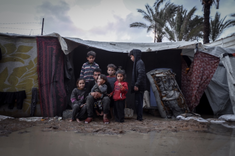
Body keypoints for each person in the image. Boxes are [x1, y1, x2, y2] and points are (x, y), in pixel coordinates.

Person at [129, 49, 146, 121]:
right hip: (138, 86)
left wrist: (137, 84)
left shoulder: (139, 63)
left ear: (134, 56)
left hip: (139, 87)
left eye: (131, 57)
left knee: (139, 102)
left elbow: (141, 74)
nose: (131, 58)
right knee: (137, 102)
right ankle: (139, 117)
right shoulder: (137, 63)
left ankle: (139, 117)